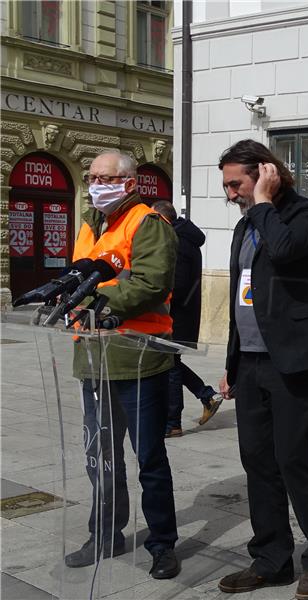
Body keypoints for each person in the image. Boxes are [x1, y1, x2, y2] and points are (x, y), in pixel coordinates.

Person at [216, 139, 308, 600]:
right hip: (251, 363)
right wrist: (232, 364)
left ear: (266, 173)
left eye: (237, 183)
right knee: (258, 463)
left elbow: (290, 251)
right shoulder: (244, 226)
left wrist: (266, 204)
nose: (231, 193)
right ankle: (271, 560)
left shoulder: (307, 214)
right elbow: (239, 298)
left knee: (294, 461)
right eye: (227, 186)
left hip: (296, 361)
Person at [67, 151, 180, 578]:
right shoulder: (90, 223)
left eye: (105, 177)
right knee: (100, 456)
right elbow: (82, 274)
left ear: (129, 183)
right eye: (92, 176)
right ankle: (105, 534)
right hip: (92, 356)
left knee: (148, 456)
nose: (96, 183)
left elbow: (152, 283)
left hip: (137, 358)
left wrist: (93, 301)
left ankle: (162, 544)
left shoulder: (148, 223)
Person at [151, 200, 222, 438]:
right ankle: (206, 395)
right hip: (182, 314)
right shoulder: (185, 238)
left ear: (163, 220)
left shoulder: (177, 242)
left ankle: (172, 423)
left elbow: (177, 285)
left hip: (175, 315)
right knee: (172, 363)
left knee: (170, 366)